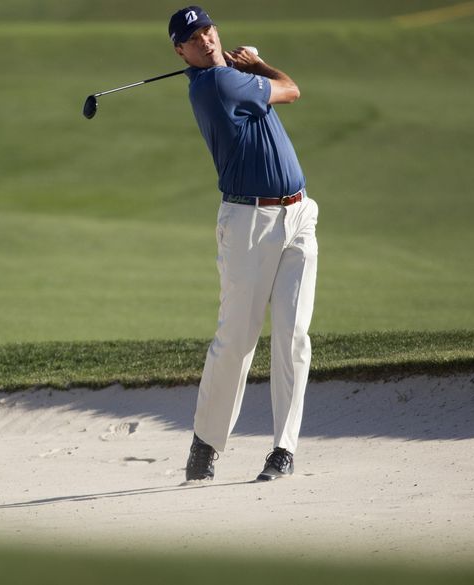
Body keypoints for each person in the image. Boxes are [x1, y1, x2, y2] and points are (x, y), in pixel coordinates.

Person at [168, 6, 319, 482]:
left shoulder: (224, 75)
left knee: (294, 336)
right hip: (248, 222)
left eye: (208, 29)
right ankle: (206, 443)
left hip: (299, 214)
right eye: (194, 38)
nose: (206, 39)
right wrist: (257, 65)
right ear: (181, 51)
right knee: (237, 339)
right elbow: (291, 89)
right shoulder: (218, 84)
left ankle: (284, 449)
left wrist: (242, 67)